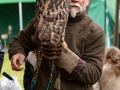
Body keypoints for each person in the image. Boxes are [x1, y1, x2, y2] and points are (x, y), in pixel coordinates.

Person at [8, 0, 105, 90]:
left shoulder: (95, 31)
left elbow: (94, 74)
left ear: (88, 1)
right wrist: (17, 52)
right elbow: (19, 41)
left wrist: (65, 57)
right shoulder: (44, 20)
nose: (75, 0)